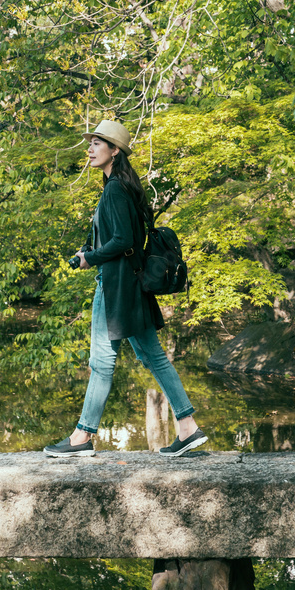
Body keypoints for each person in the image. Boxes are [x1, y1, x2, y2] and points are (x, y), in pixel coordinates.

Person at [43, 120, 207, 458]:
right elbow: (123, 237)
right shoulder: (123, 186)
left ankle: (81, 438)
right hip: (132, 286)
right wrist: (90, 249)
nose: (90, 148)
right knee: (154, 357)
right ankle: (188, 427)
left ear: (114, 150)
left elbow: (123, 241)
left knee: (102, 362)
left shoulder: (116, 188)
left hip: (117, 288)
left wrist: (90, 258)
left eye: (97, 143)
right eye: (90, 143)